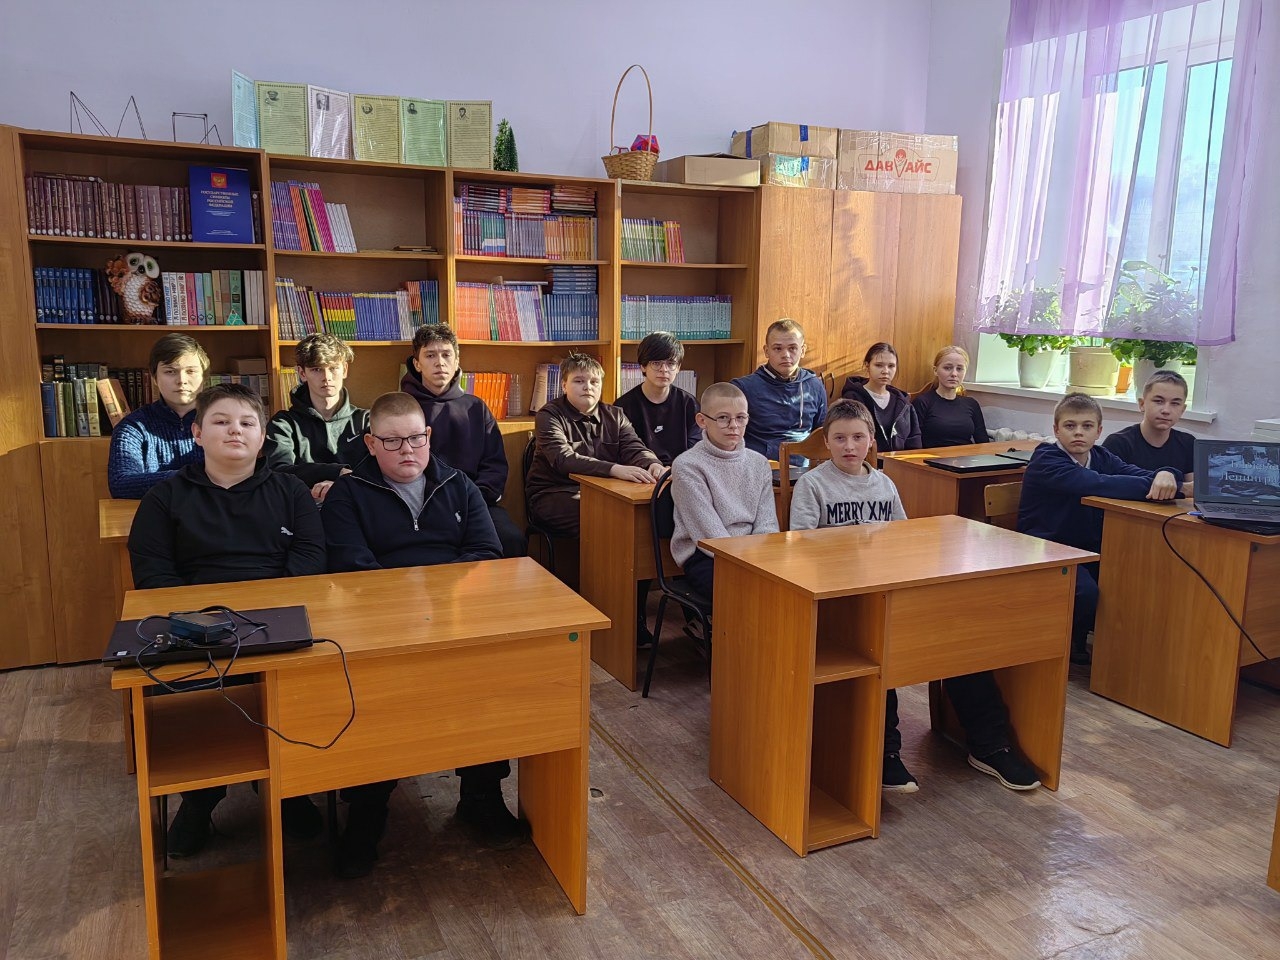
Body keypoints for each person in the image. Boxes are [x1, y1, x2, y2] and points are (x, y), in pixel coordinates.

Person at [789, 399, 1040, 792]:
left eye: (858, 437)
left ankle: (990, 745)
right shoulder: (812, 485)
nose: (849, 446)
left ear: (871, 441)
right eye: (839, 438)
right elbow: (800, 547)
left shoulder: (884, 483)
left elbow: (902, 538)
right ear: (827, 442)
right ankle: (885, 753)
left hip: (890, 587)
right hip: (842, 599)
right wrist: (856, 543)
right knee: (878, 650)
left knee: (961, 640)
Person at [128, 383, 327, 858]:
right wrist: (204, 620)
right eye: (221, 422)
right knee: (188, 697)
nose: (234, 431)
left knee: (308, 681)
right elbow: (154, 574)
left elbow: (311, 559)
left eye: (246, 423)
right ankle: (200, 798)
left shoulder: (290, 492)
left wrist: (264, 615)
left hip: (275, 620)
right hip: (196, 627)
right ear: (197, 433)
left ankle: (287, 787)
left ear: (262, 436)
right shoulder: (164, 497)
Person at [320, 391, 514, 879]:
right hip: (380, 627)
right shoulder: (348, 494)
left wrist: (439, 600)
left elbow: (486, 553)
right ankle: (367, 811)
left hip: (453, 618)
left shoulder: (457, 484)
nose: (407, 450)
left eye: (415, 438)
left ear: (428, 436)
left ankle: (482, 795)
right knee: (374, 702)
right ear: (370, 443)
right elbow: (351, 567)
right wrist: (410, 602)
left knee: (488, 685)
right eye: (392, 441)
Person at [1019, 393, 1184, 666]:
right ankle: (1062, 641)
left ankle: (1108, 649)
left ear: (1099, 431)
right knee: (1086, 593)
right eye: (1070, 426)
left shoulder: (1100, 455)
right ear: (1056, 430)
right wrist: (1163, 486)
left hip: (1085, 548)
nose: (1078, 433)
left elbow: (1134, 472)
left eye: (1087, 426)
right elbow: (1097, 484)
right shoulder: (1046, 458)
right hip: (1045, 547)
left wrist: (1167, 474)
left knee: (1133, 581)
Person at [399, 323, 525, 557]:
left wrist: (472, 499)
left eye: (447, 355)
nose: (440, 362)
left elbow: (495, 465)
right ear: (417, 364)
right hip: (419, 506)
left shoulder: (476, 408)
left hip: (474, 501)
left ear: (457, 361)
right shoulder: (400, 408)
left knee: (511, 539)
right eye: (430, 355)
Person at [525, 352, 664, 539]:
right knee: (608, 514)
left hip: (604, 492)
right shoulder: (549, 415)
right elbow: (563, 459)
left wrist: (652, 463)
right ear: (564, 385)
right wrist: (614, 469)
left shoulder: (615, 415)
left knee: (651, 508)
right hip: (554, 493)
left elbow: (634, 448)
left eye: (594, 382)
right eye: (579, 381)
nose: (587, 387)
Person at [670, 382, 778, 601]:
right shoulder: (687, 465)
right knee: (748, 591)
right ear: (702, 421)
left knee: (792, 584)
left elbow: (767, 524)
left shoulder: (759, 463)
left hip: (752, 551)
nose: (733, 426)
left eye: (741, 418)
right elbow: (708, 532)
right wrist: (748, 563)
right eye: (723, 418)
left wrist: (760, 557)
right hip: (706, 554)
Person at [264, 333, 369, 503]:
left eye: (333, 368)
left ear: (344, 369)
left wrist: (340, 485)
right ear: (302, 373)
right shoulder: (283, 424)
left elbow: (383, 472)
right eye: (316, 369)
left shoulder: (367, 421)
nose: (326, 377)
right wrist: (336, 472)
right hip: (303, 508)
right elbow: (278, 472)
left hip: (357, 505)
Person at [108, 332, 209, 498]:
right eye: (170, 371)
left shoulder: (224, 421)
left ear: (204, 377)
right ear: (154, 378)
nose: (181, 380)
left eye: (191, 371)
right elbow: (121, 483)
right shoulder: (133, 427)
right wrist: (195, 477)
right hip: (157, 512)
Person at [732, 318, 827, 462]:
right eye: (777, 348)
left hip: (803, 467)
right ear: (766, 351)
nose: (786, 355)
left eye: (792, 348)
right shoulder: (743, 388)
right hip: (760, 465)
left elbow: (822, 433)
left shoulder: (814, 386)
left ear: (803, 351)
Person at [613, 331, 701, 466]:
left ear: (678, 368)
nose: (664, 369)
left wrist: (673, 470)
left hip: (681, 471)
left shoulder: (689, 403)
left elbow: (696, 448)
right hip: (641, 472)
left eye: (671, 363)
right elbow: (624, 451)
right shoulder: (623, 406)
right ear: (643, 366)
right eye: (656, 363)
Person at [1102, 369, 1196, 482]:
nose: (1166, 410)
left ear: (1183, 410)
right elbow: (1105, 488)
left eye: (1175, 403)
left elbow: (1193, 489)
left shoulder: (1189, 444)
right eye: (1158, 401)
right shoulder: (1118, 443)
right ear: (1142, 404)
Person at [841, 342, 922, 452]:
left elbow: (914, 442)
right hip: (865, 461)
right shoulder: (852, 399)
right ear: (867, 366)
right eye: (879, 365)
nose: (885, 371)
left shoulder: (903, 403)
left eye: (891, 366)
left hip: (899, 462)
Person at [911, 345, 989, 447]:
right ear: (935, 370)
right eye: (947, 368)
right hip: (932, 456)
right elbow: (913, 443)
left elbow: (983, 442)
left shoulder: (971, 404)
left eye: (959, 369)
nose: (954, 374)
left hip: (966, 456)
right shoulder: (922, 402)